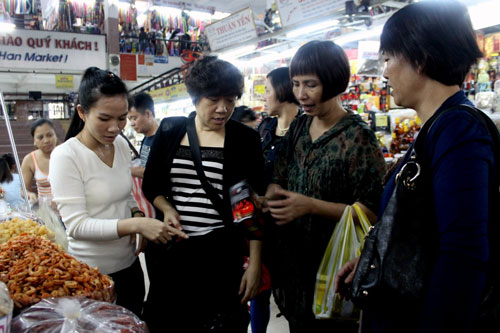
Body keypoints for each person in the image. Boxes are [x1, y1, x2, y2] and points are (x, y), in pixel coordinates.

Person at [335, 2, 493, 332]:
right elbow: (422, 233)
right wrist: (376, 261)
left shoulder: (458, 131)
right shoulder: (437, 128)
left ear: (420, 60)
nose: (385, 72)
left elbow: (462, 255)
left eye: (389, 58)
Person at [264, 41, 386, 332]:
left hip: (334, 267)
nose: (300, 95)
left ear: (333, 82)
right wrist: (270, 196)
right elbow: (278, 176)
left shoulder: (358, 138)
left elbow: (372, 211)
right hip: (294, 266)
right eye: (295, 84)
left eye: (310, 84)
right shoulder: (298, 128)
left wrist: (309, 206)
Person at [50, 67, 187, 317]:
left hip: (129, 266)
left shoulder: (120, 146)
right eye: (104, 119)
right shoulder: (66, 156)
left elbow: (125, 195)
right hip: (90, 275)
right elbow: (77, 226)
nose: (115, 128)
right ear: (82, 112)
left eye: (122, 118)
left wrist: (135, 214)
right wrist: (136, 225)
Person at [142, 56, 265, 332]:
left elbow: (249, 207)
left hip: (220, 255)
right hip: (174, 252)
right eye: (213, 100)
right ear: (195, 97)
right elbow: (152, 184)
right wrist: (167, 208)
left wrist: (255, 263)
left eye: (231, 100)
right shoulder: (171, 130)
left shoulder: (244, 139)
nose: (223, 109)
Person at [127, 93, 158, 218]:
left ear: (148, 114)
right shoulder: (146, 139)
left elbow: (155, 173)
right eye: (129, 119)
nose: (132, 123)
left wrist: (125, 170)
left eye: (134, 118)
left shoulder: (161, 140)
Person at [21, 119, 57, 205]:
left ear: (55, 135)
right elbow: (23, 190)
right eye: (40, 137)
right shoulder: (30, 160)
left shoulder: (67, 154)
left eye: (49, 135)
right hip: (46, 212)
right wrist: (29, 194)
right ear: (34, 141)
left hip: (68, 211)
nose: (46, 140)